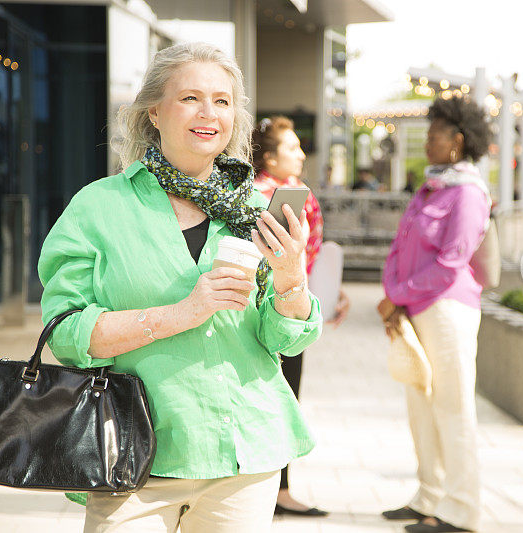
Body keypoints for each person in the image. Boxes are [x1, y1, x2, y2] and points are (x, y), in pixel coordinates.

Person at [38, 42, 323, 533]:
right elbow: (63, 333)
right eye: (190, 97)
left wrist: (291, 281)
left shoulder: (255, 206)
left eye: (223, 100)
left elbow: (288, 338)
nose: (208, 113)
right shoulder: (99, 207)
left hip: (243, 458)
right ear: (154, 110)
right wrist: (181, 313)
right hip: (131, 456)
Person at [379, 95, 492, 533]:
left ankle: (463, 511)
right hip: (414, 310)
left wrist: (400, 294)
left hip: (447, 312)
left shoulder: (468, 194)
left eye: (434, 136)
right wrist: (393, 295)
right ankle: (430, 497)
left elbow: (451, 261)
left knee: (453, 406)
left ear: (457, 141)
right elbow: (400, 246)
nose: (427, 143)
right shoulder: (430, 188)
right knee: (420, 405)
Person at [251, 115, 350, 517]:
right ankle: (278, 489)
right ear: (270, 158)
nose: (301, 154)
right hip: (278, 310)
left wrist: (329, 288)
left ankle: (277, 486)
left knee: (282, 394)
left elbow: (308, 253)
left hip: (291, 304)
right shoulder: (270, 195)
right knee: (283, 395)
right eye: (292, 148)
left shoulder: (286, 192)